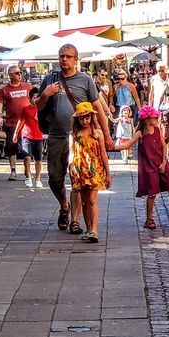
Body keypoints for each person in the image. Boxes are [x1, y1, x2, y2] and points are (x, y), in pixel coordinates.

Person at [35, 44, 112, 232]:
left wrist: (107, 135)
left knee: (78, 180)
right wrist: (46, 94)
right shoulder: (50, 79)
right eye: (61, 56)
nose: (64, 59)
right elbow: (37, 105)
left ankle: (75, 220)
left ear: (76, 59)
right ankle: (64, 205)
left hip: (80, 139)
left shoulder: (85, 80)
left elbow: (98, 109)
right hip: (57, 136)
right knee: (54, 179)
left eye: (69, 56)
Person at [115, 106, 169, 230]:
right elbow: (127, 144)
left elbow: (163, 145)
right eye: (155, 117)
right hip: (150, 166)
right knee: (152, 193)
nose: (157, 119)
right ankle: (149, 219)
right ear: (147, 119)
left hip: (162, 163)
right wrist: (110, 147)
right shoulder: (140, 133)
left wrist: (164, 161)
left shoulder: (157, 130)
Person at [67, 101, 110, 243]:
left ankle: (94, 230)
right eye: (82, 118)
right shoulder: (74, 134)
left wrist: (108, 173)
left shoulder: (97, 133)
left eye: (87, 117)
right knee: (85, 201)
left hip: (94, 169)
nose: (85, 121)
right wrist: (71, 165)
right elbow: (71, 153)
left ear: (92, 117)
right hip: (81, 169)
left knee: (92, 199)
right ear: (77, 120)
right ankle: (89, 228)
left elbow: (103, 153)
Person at [0, 66, 32, 181]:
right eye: (16, 73)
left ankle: (27, 170)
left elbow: (34, 100)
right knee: (11, 146)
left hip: (26, 122)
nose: (19, 75)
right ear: (10, 75)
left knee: (27, 147)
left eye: (20, 73)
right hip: (12, 123)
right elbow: (0, 104)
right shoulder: (5, 90)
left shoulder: (27, 86)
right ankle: (13, 170)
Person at [13, 96, 45, 191]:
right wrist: (16, 133)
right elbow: (21, 120)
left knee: (38, 160)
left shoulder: (42, 109)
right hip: (26, 135)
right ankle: (28, 177)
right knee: (27, 157)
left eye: (38, 97)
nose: (36, 100)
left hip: (38, 136)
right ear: (30, 99)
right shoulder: (26, 109)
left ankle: (38, 179)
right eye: (34, 97)